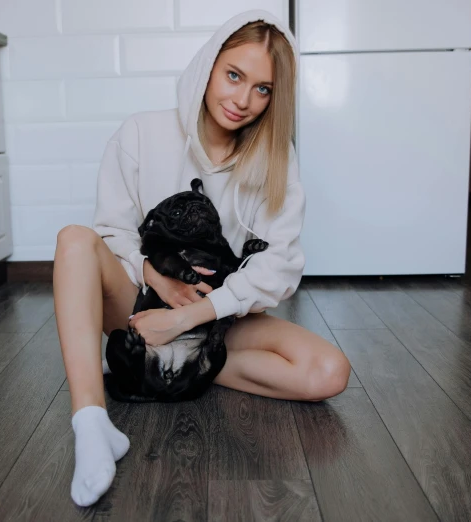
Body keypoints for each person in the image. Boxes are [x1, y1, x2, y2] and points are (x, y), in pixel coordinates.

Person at [53, 10, 351, 507]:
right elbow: (111, 233)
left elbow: (278, 266)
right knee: (73, 238)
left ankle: (175, 368)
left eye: (263, 89)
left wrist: (189, 319)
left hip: (218, 320)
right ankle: (91, 423)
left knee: (328, 371)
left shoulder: (277, 160)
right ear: (208, 65)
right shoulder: (141, 134)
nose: (243, 100)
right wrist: (158, 282)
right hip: (140, 306)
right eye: (234, 75)